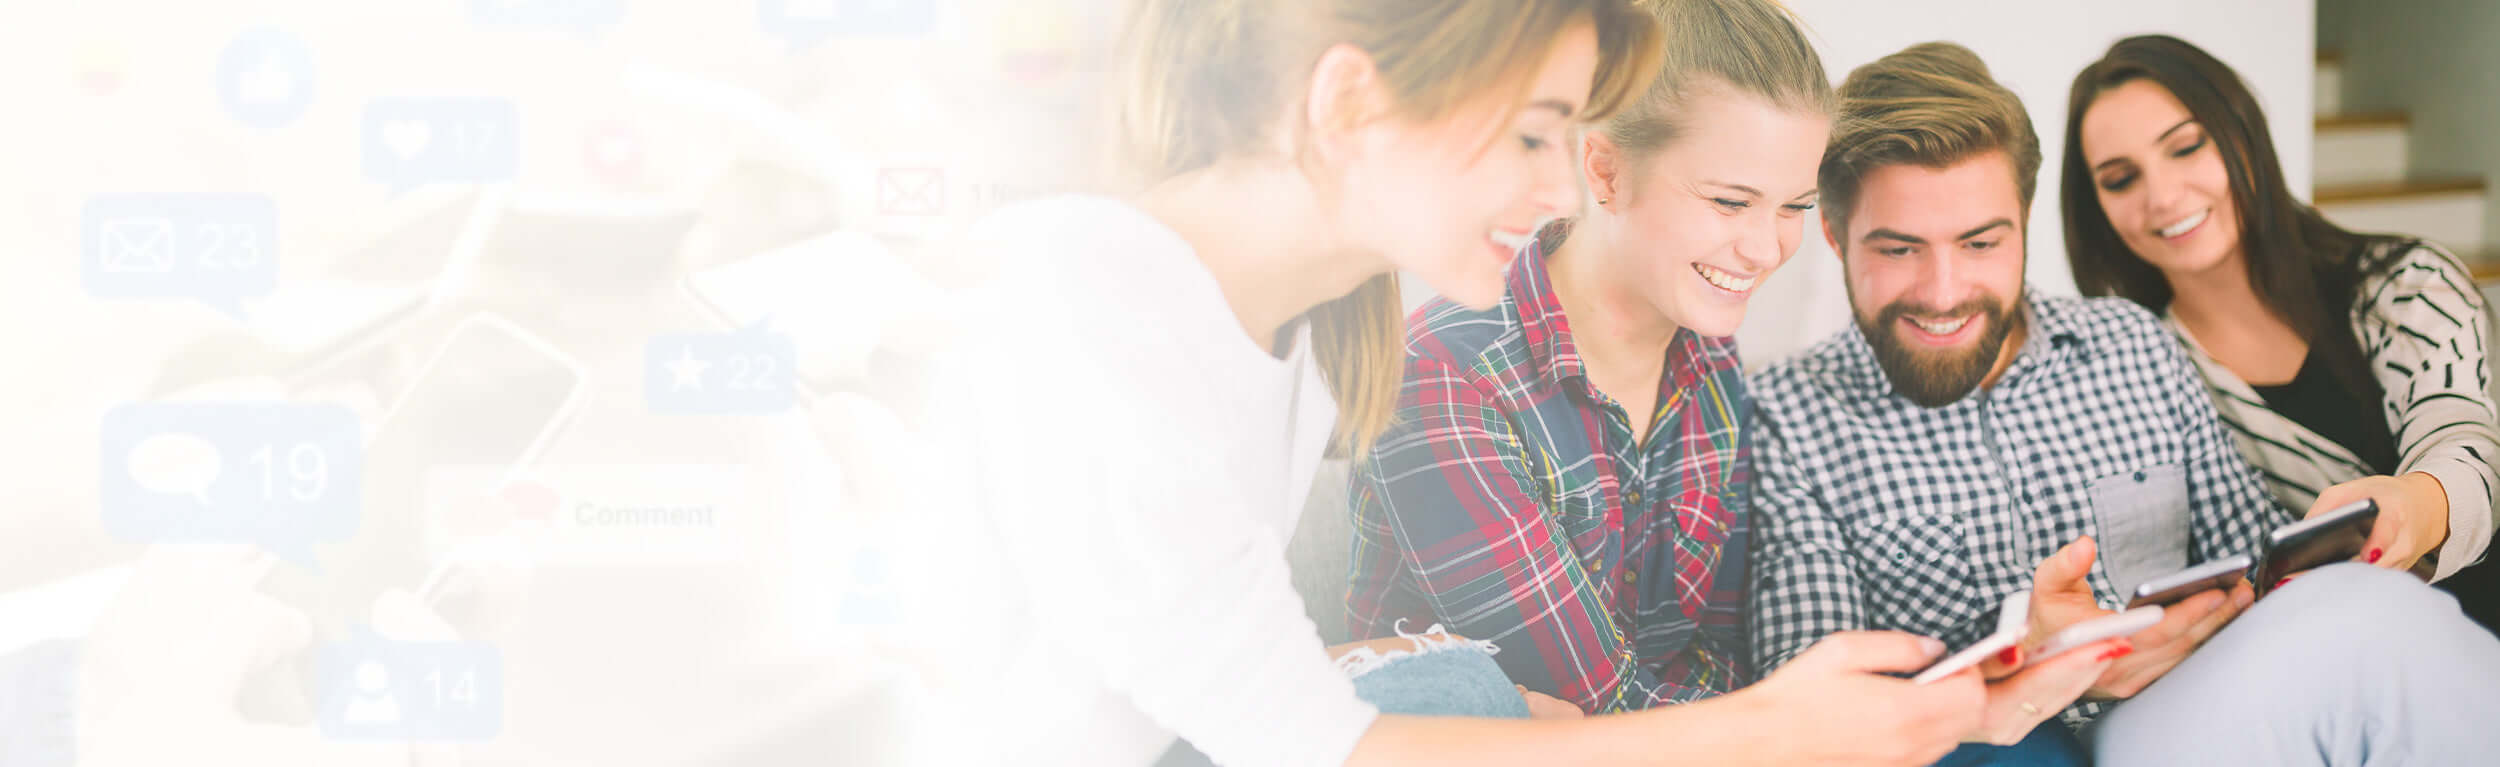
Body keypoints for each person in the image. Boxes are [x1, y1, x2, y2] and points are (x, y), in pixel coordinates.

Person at [932, 1, 1990, 765]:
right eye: (1535, 133)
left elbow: (1223, 661)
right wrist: (1773, 731)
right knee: (1469, 693)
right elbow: (1309, 739)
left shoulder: (1318, 336)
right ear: (1348, 100)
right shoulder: (1091, 296)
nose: (1558, 181)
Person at [1341, 2, 2109, 763]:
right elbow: (1592, 700)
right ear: (1605, 170)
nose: (1765, 246)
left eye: (1794, 207)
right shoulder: (1451, 376)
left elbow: (1729, 655)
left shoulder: (1711, 367)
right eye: (1730, 201)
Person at [1747, 40, 2500, 764]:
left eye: (1980, 243)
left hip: (2194, 708)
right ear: (1837, 237)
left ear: (2025, 222)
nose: (1944, 293)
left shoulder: (2132, 343)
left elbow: (2261, 559)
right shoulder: (1784, 415)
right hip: (2002, 745)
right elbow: (1815, 713)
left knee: (2379, 620)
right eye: (1899, 248)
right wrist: (2033, 664)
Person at [2062, 33, 2500, 631]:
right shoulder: (2139, 369)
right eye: (2120, 179)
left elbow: (2466, 438)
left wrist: (2417, 506)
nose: (2162, 197)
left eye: (2187, 147)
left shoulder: (2406, 285)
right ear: (2097, 211)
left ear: (2243, 131)